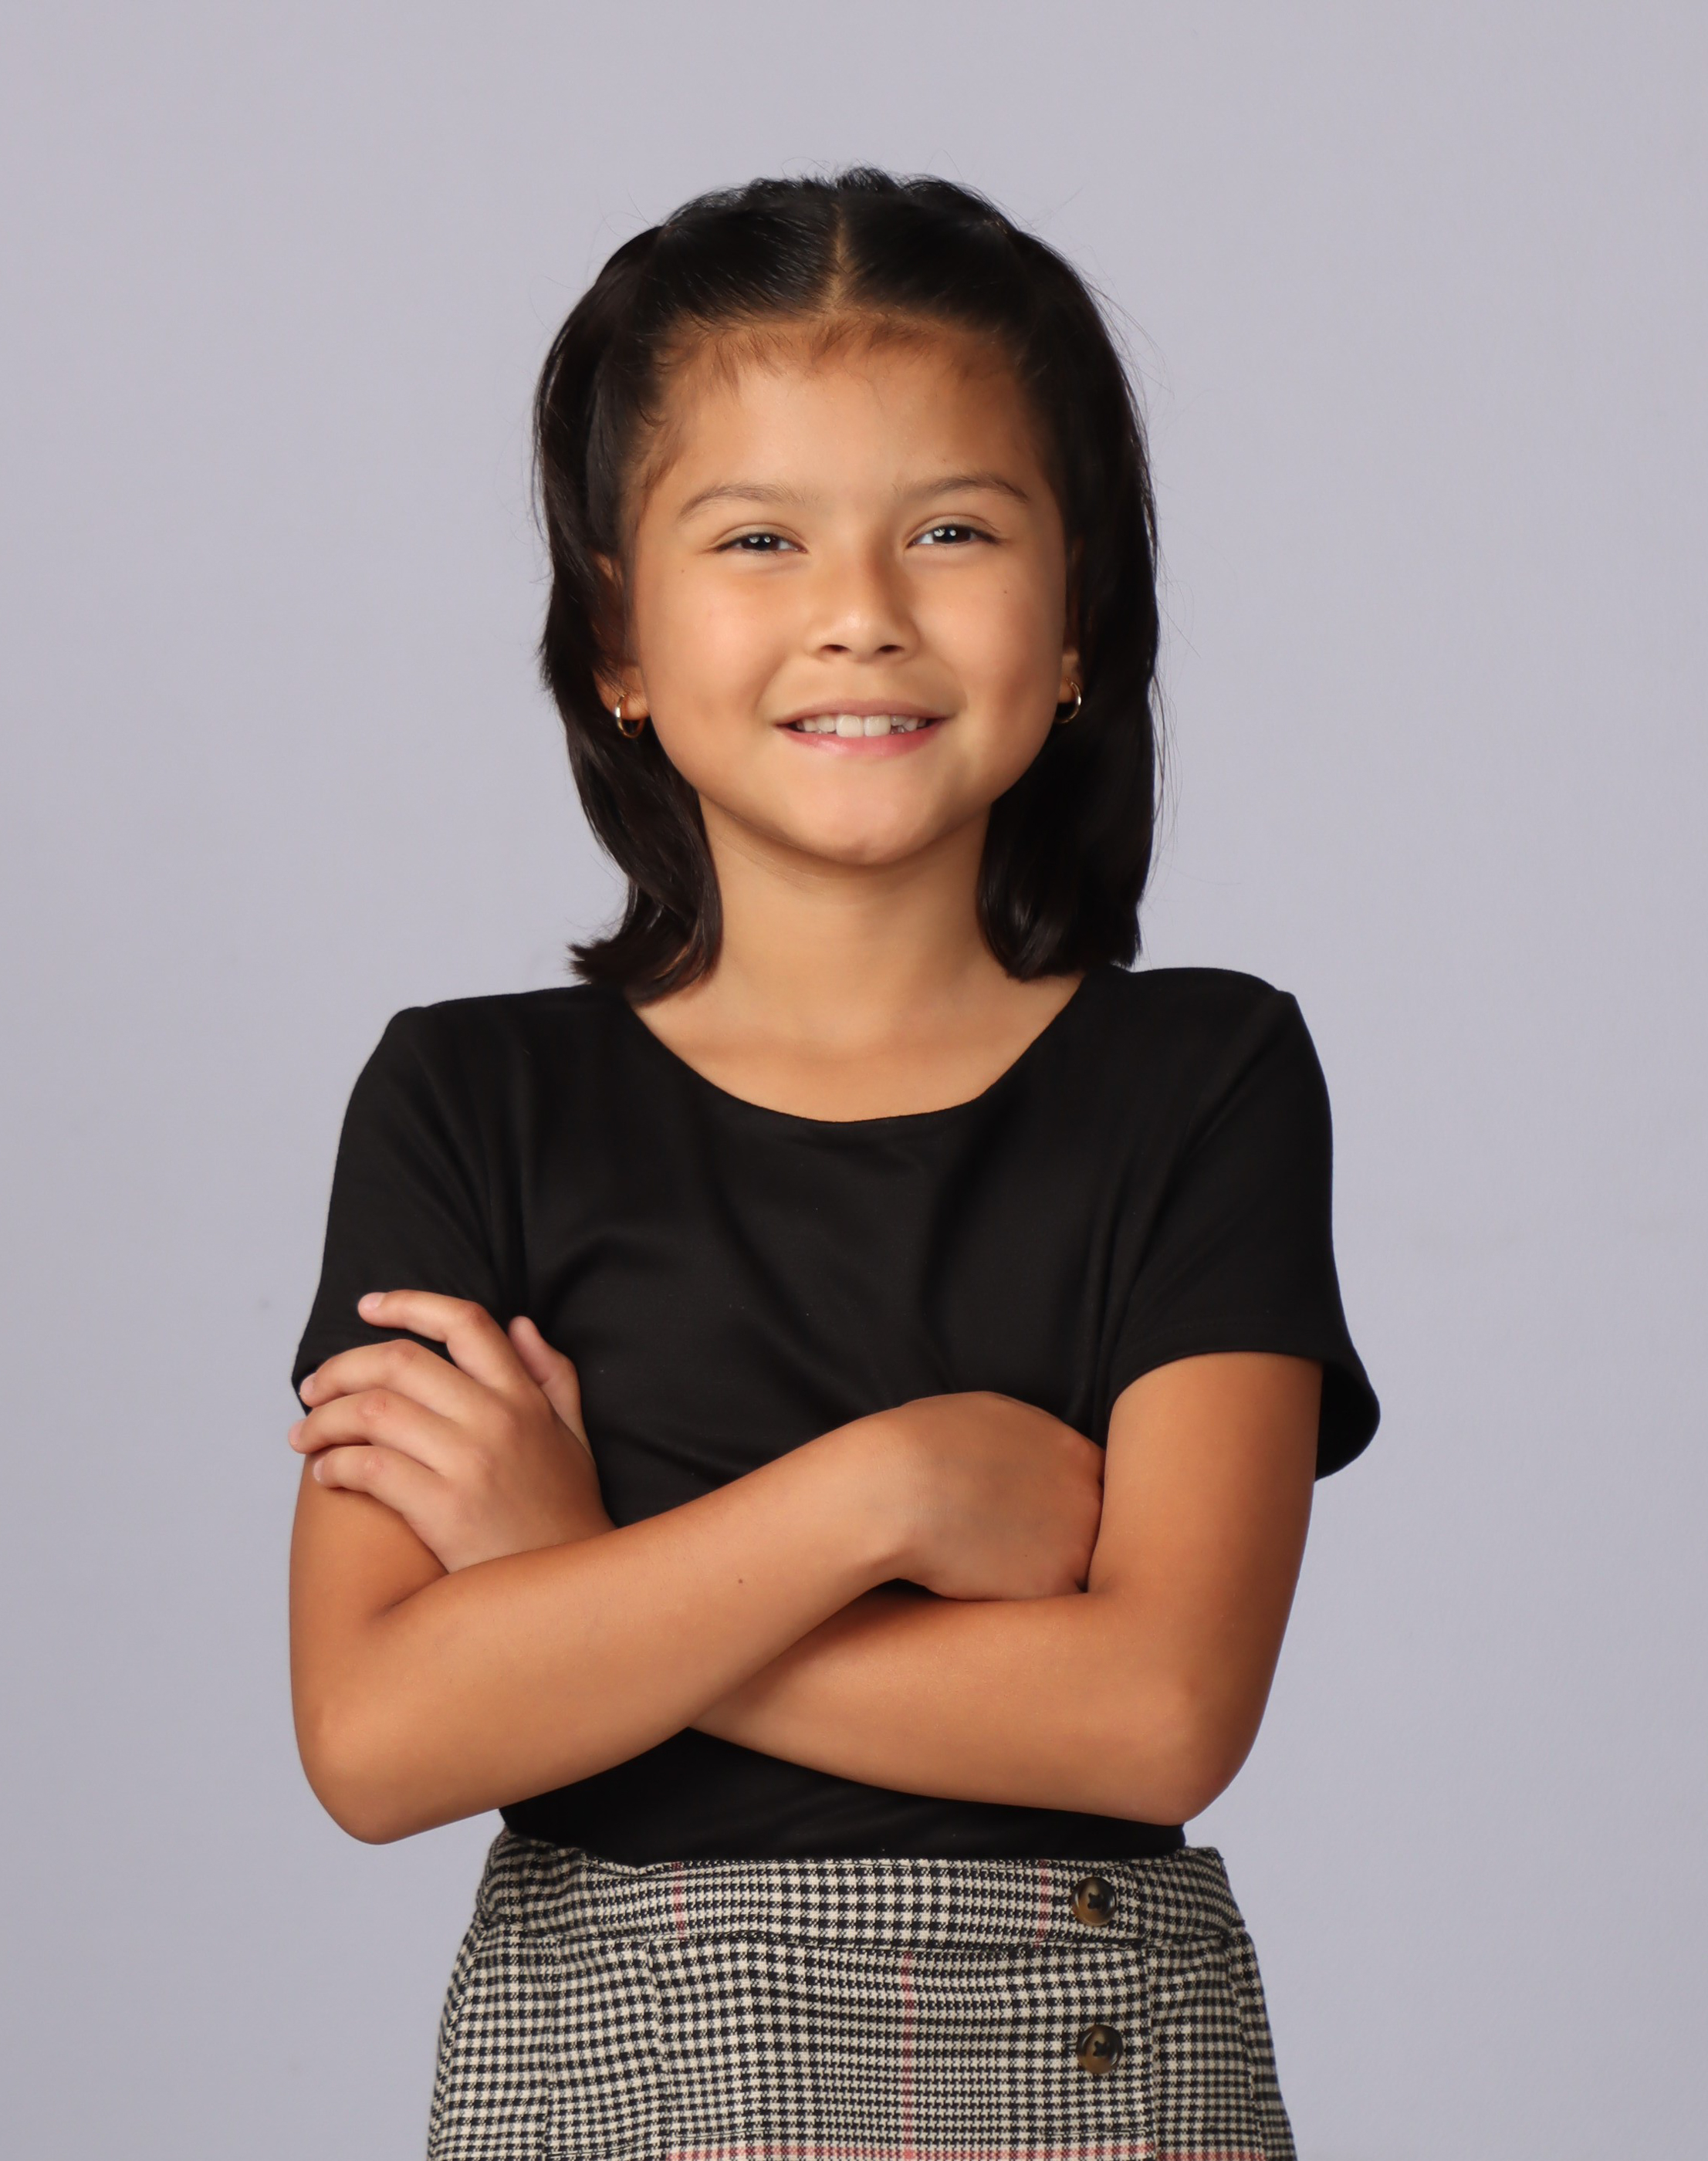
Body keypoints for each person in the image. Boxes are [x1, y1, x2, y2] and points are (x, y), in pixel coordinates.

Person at [286, 169, 1378, 2161]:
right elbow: (376, 1737)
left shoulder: (1204, 1077)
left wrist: (575, 1593)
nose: (860, 609)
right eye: (759, 538)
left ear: (1078, 622)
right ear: (617, 637)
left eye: (952, 529)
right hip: (607, 2082)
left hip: (1089, 2082)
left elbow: (1157, 1715)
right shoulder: (468, 1100)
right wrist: (885, 1495)